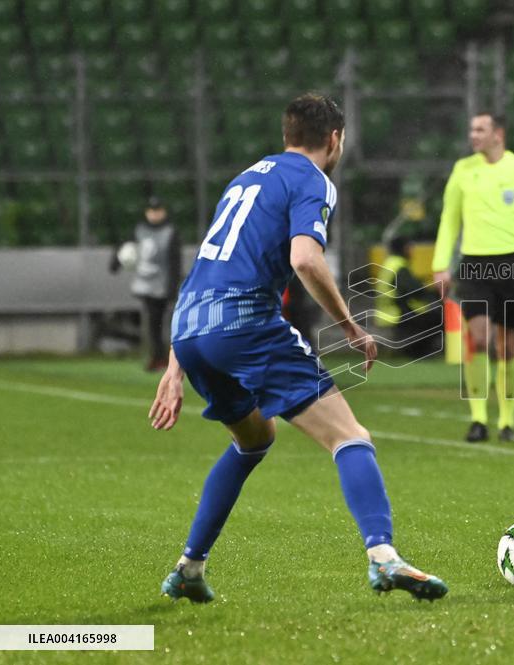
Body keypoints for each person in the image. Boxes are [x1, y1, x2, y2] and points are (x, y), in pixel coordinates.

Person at [148, 94, 447, 603]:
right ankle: (383, 557)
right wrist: (351, 325)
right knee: (349, 435)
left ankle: (190, 568)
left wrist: (176, 364)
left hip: (193, 327)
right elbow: (305, 259)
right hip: (245, 325)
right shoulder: (311, 180)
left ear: (288, 133)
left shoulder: (245, 178)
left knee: (254, 439)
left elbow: (204, 269)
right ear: (335, 139)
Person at [432, 112, 514, 443]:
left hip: (511, 263)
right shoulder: (463, 170)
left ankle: (507, 421)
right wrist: (440, 263)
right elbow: (449, 219)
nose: (473, 135)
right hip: (473, 264)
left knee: (508, 345)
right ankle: (477, 418)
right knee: (480, 337)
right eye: (471, 129)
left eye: (480, 129)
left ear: (498, 134)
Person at [119, 196, 182, 371]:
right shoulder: (139, 229)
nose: (154, 214)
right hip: (145, 285)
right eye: (151, 211)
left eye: (157, 210)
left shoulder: (170, 231)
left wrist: (172, 286)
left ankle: (165, 356)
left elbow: (175, 261)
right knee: (154, 323)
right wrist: (116, 261)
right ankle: (158, 356)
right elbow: (125, 247)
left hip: (162, 286)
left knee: (163, 323)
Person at [375, 235, 443, 359]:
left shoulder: (390, 263)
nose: (412, 251)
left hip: (387, 311)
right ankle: (419, 351)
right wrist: (434, 291)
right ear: (404, 248)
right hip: (397, 313)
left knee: (431, 315)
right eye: (410, 247)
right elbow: (414, 289)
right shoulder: (399, 267)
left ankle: (416, 350)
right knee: (440, 316)